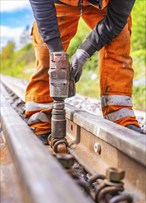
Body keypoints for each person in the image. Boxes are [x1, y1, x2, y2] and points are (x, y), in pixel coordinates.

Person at [25, 0, 144, 144]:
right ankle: (40, 119)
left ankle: (120, 117)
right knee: (46, 55)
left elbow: (115, 20)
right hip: (61, 2)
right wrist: (56, 51)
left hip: (104, 4)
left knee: (118, 41)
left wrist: (84, 51)